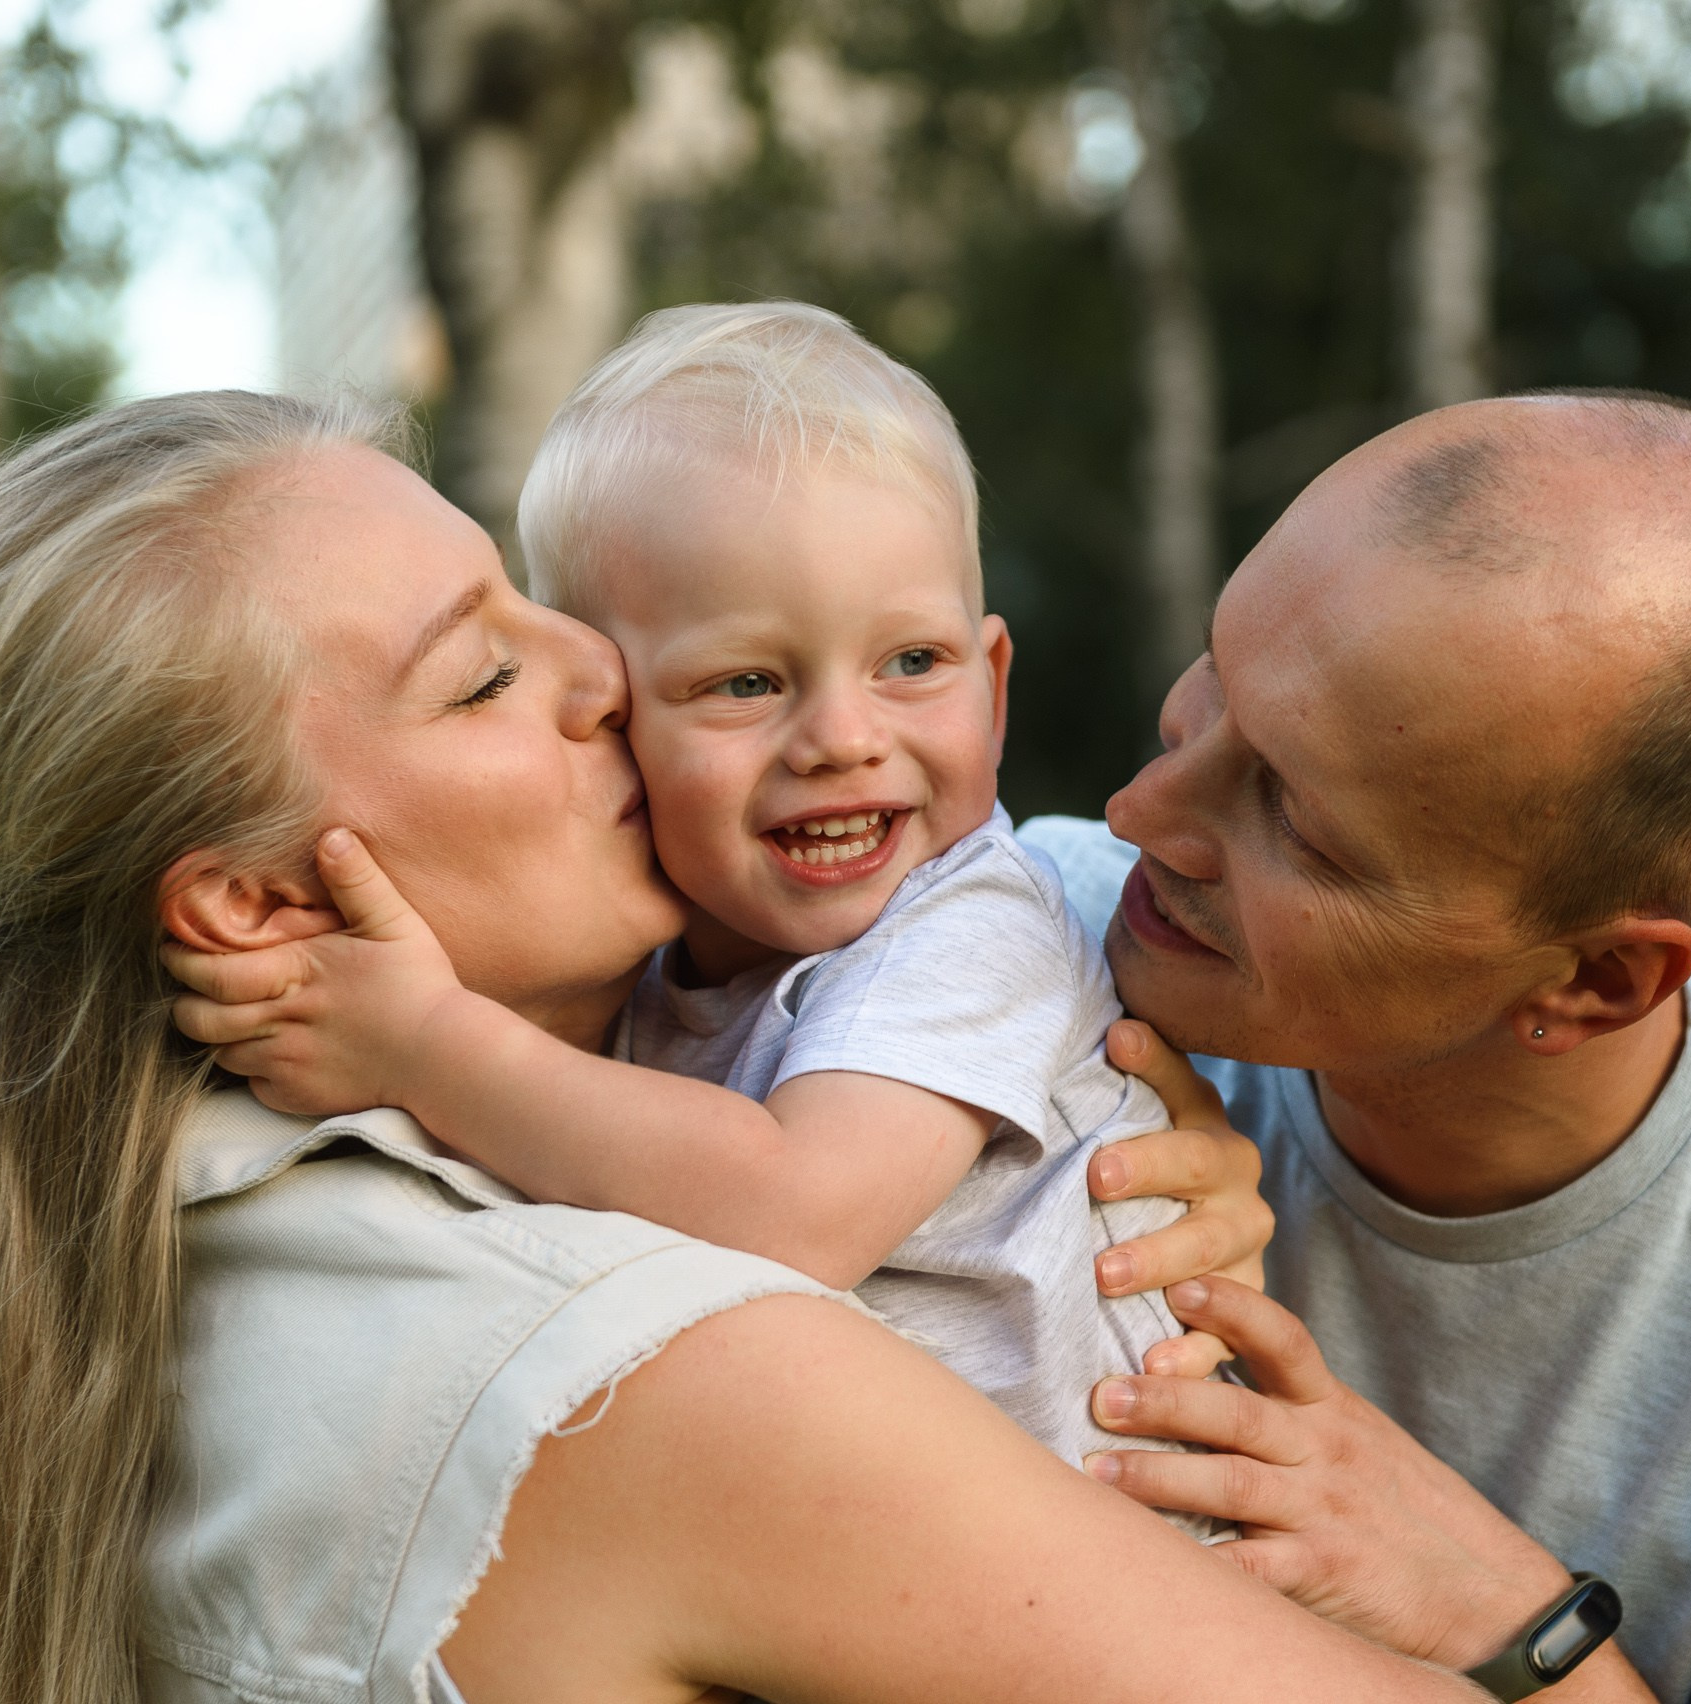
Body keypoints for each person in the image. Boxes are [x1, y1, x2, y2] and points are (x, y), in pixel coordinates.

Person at [0, 389, 1486, 1704]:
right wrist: (1530, 1619)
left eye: (528, 604)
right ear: (251, 906)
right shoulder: (628, 1367)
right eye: (481, 676)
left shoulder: (155, 1260)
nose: (599, 667)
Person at [1019, 392, 1691, 1700]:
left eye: (1297, 821)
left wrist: (1516, 1626)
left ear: (1595, 981)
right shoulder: (1015, 965)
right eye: (1214, 674)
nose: (1137, 811)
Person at [164, 304, 1243, 1511]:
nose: (842, 738)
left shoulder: (973, 927)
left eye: (911, 663)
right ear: (619, 711)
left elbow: (794, 1214)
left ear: (992, 688)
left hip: (1142, 1546)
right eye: (745, 682)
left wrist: (424, 1044)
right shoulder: (652, 973)